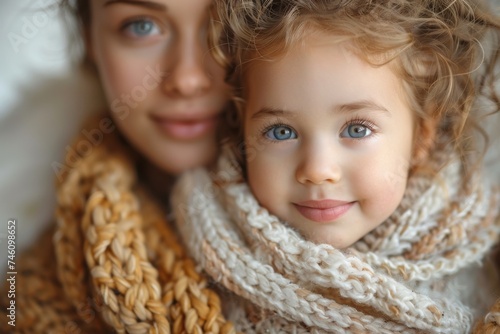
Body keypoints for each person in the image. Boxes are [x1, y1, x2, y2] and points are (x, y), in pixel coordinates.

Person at [172, 0, 500, 332]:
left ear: (421, 140)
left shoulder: (481, 250)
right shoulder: (191, 258)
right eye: (281, 131)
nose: (317, 169)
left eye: (357, 129)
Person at [0, 0, 237, 333]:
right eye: (141, 26)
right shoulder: (19, 281)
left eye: (228, 23)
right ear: (90, 40)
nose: (187, 79)